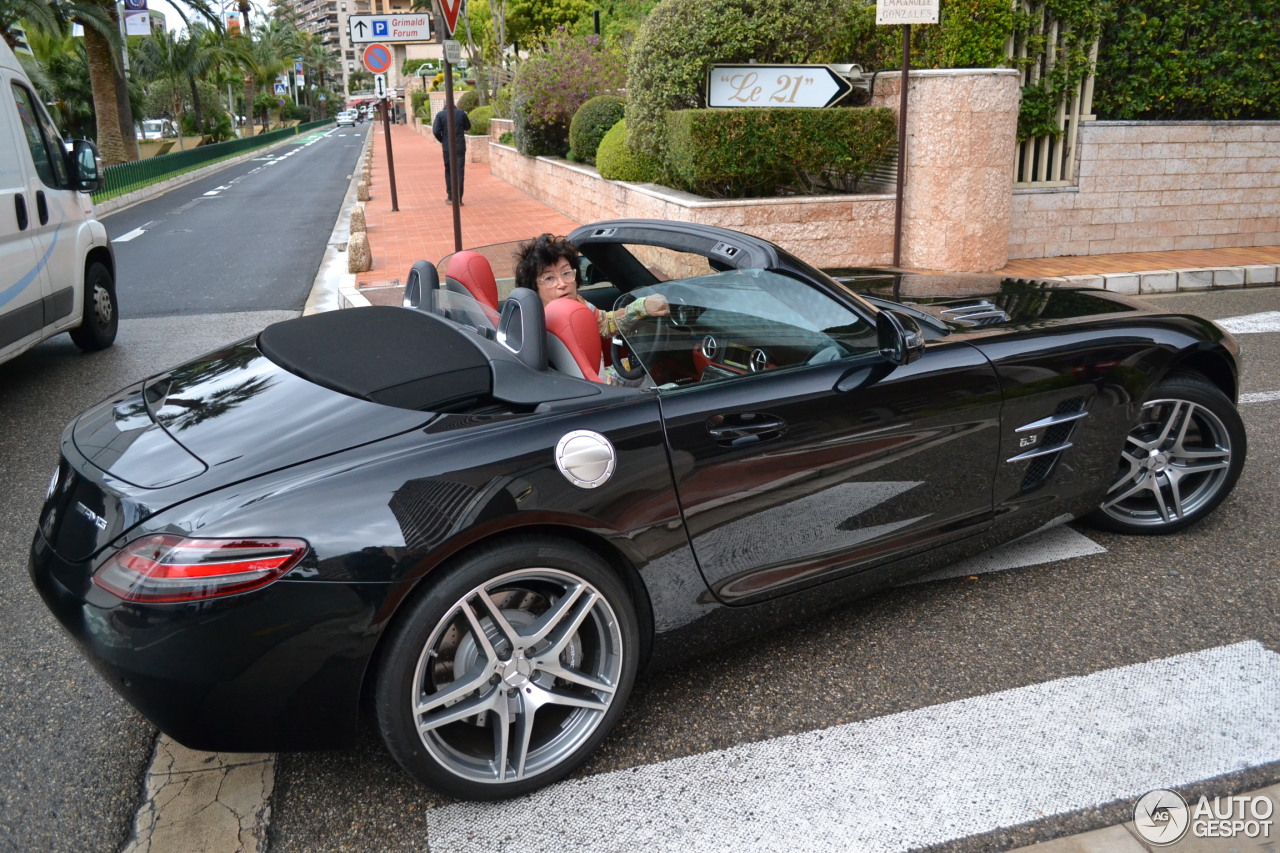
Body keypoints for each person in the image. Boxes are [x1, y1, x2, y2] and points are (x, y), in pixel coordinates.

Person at [431, 104, 471, 204]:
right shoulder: (461, 113)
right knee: (459, 171)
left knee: (449, 170)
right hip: (460, 146)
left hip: (447, 147)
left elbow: (436, 131)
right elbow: (468, 127)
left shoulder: (440, 115)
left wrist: (443, 140)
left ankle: (451, 196)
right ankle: (459, 198)